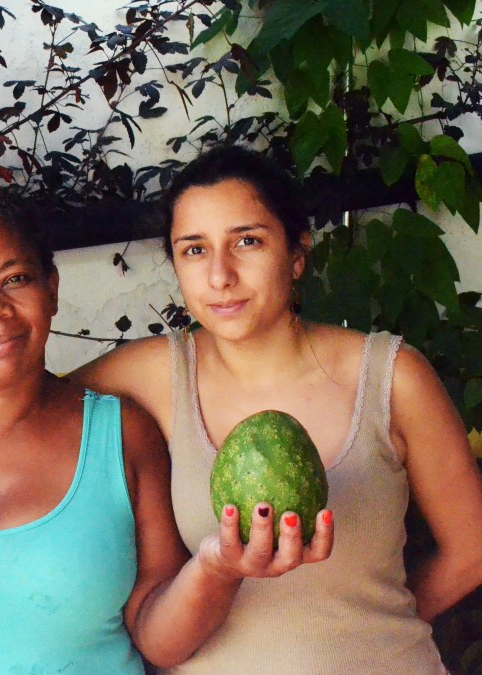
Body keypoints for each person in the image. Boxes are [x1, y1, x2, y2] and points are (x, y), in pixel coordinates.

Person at [0, 182, 333, 674]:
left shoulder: (122, 433)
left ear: (51, 290)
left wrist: (219, 568)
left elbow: (159, 638)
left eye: (14, 280)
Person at [69, 144, 482, 673]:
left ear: (297, 253)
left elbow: (469, 548)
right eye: (194, 249)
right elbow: (20, 412)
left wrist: (375, 624)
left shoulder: (389, 375)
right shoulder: (147, 375)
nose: (220, 275)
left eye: (247, 241)